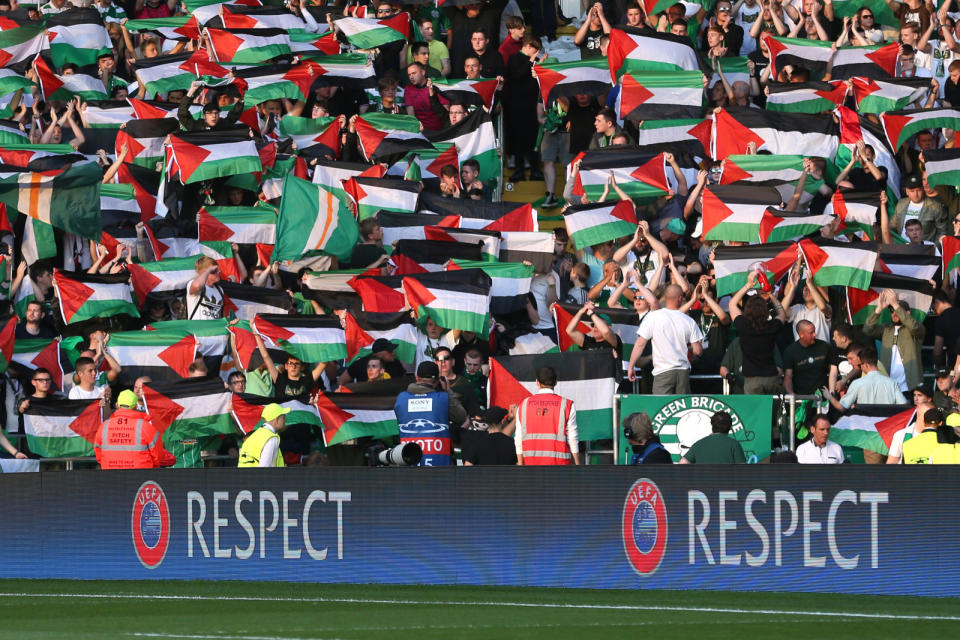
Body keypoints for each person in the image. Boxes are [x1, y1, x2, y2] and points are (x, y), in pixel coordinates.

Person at [628, 284, 704, 393]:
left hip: (662, 372)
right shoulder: (689, 321)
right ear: (680, 298)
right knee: (682, 409)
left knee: (661, 408)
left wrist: (631, 367)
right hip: (683, 373)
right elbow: (697, 351)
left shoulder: (653, 317)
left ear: (666, 297)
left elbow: (640, 344)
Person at [394, 361, 467, 466]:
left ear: (416, 377)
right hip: (439, 463)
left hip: (409, 460)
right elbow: (461, 417)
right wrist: (448, 390)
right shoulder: (442, 399)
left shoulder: (401, 399)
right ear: (437, 381)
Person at [729, 272, 787, 395]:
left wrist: (748, 285)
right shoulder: (771, 327)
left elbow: (732, 304)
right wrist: (771, 294)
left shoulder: (743, 326)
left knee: (756, 413)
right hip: (771, 378)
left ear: (747, 310)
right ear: (765, 311)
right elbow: (782, 313)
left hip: (752, 379)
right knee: (772, 412)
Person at [862, 289, 925, 392]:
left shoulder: (917, 328)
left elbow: (914, 327)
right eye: (891, 310)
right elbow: (867, 330)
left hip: (911, 387)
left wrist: (896, 305)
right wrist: (879, 309)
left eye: (897, 310)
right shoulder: (886, 329)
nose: (894, 313)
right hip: (888, 386)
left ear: (907, 313)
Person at [94, 389, 175, 469]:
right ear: (136, 406)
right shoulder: (146, 427)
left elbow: (99, 456)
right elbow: (158, 457)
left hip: (111, 476)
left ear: (117, 405)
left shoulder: (104, 427)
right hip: (140, 478)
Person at [514, 366, 579, 465]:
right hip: (560, 467)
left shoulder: (524, 405)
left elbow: (518, 438)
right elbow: (572, 438)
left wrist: (520, 464)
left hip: (531, 466)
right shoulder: (566, 405)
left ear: (537, 382)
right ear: (556, 382)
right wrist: (577, 464)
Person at [782, 320, 831, 395]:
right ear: (801, 335)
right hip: (802, 397)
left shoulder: (824, 346)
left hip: (823, 397)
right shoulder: (790, 351)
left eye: (814, 331)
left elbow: (833, 370)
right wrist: (792, 395)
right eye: (811, 333)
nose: (815, 335)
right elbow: (788, 377)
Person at [680, 411, 746, 463]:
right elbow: (742, 471)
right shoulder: (734, 444)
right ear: (730, 427)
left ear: (712, 425)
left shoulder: (698, 444)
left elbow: (682, 463)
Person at [237, 403, 290, 467]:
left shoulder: (253, 436)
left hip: (243, 476)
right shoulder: (271, 438)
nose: (285, 420)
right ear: (276, 420)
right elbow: (264, 469)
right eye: (283, 418)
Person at [338, 339, 405, 385]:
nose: (393, 353)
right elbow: (341, 381)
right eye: (389, 351)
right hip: (365, 403)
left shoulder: (396, 364)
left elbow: (403, 383)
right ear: (379, 353)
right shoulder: (360, 364)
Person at [186, 256, 224, 320]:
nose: (218, 272)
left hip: (213, 329)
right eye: (214, 271)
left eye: (218, 270)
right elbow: (197, 286)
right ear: (205, 273)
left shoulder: (220, 290)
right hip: (197, 329)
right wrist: (209, 270)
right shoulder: (193, 283)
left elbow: (219, 315)